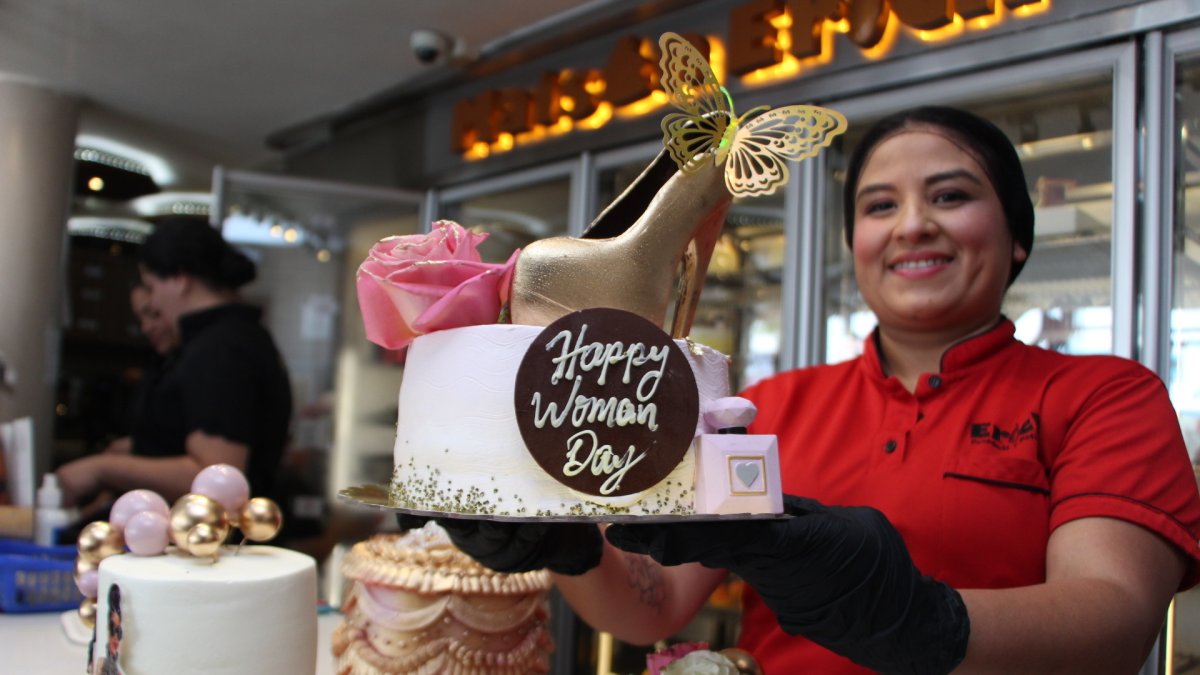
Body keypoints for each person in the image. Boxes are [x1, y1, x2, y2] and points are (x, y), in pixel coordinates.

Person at [421, 106, 1200, 674]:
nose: (912, 225)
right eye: (879, 205)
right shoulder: (772, 404)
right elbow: (652, 604)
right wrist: (571, 548)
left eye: (952, 195)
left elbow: (1115, 619)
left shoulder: (1104, 395)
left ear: (1017, 234)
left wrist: (913, 615)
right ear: (855, 245)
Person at [57, 218, 292, 508]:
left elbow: (215, 475)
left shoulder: (221, 347)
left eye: (151, 286)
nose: (152, 303)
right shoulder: (220, 339)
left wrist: (102, 468)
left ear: (180, 279)